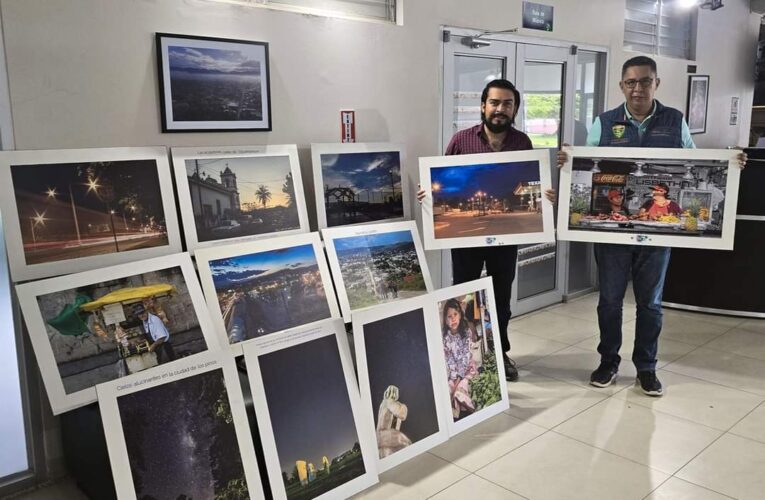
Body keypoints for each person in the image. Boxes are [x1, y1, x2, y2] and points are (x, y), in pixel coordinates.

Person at [552, 55, 746, 397]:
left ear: (656, 83)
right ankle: (608, 361)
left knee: (650, 304)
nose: (637, 88)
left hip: (657, 238)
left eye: (645, 81)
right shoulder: (604, 122)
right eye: (631, 82)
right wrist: (569, 162)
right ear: (622, 85)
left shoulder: (675, 121)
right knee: (610, 301)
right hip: (612, 235)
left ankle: (646, 368)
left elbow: (696, 160)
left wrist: (733, 164)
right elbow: (584, 166)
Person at [418, 79, 533, 382]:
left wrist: (543, 197)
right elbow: (440, 180)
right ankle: (467, 354)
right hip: (467, 240)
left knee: (501, 299)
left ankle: (499, 353)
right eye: (494, 103)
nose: (500, 109)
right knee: (465, 296)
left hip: (506, 238)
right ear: (483, 106)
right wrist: (428, 192)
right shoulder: (461, 140)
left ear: (514, 109)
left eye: (507, 104)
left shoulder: (523, 143)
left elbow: (527, 182)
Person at [442, 299, 478, 418]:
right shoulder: (446, 338)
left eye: (455, 315)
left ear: (460, 315)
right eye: (449, 316)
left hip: (467, 370)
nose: (453, 319)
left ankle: (470, 409)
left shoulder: (466, 333)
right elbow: (450, 360)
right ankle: (454, 411)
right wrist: (454, 378)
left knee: (460, 390)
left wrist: (458, 379)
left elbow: (465, 357)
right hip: (454, 374)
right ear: (446, 321)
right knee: (448, 389)